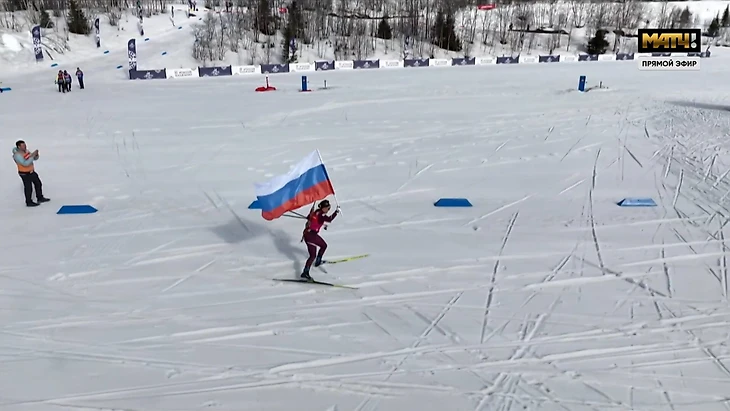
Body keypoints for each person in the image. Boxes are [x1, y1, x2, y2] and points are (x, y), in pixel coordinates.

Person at [301, 199, 339, 280]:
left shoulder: (316, 212)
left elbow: (312, 219)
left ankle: (315, 263)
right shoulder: (321, 214)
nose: (328, 210)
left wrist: (322, 224)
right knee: (314, 254)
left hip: (307, 234)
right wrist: (336, 212)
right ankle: (305, 272)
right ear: (323, 208)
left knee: (322, 247)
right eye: (328, 208)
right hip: (311, 235)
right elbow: (329, 219)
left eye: (329, 208)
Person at [13, 140, 49, 207]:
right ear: (19, 147)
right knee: (28, 188)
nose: (25, 146)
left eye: (25, 145)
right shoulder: (17, 155)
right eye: (23, 145)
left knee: (38, 183)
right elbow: (25, 163)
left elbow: (33, 159)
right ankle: (29, 202)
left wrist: (36, 155)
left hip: (31, 171)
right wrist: (32, 156)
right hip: (24, 173)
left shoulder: (26, 151)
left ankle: (40, 197)